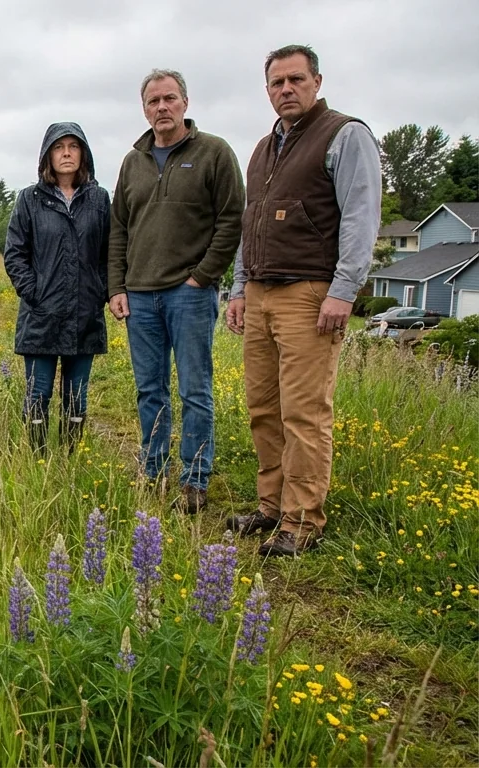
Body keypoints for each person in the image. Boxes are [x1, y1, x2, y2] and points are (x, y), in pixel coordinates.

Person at [225, 45, 381, 556]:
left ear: (316, 81)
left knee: (304, 412)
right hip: (263, 293)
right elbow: (251, 226)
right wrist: (240, 288)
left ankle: (302, 521)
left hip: (310, 295)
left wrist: (344, 290)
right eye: (276, 82)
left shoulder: (343, 134)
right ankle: (271, 506)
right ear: (267, 90)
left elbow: (361, 216)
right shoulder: (263, 150)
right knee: (263, 408)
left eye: (295, 79)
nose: (285, 89)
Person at [108, 69, 244, 514]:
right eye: (153, 101)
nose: (161, 108)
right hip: (140, 295)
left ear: (185, 102)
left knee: (195, 389)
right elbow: (118, 230)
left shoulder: (214, 153)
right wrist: (116, 286)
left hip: (189, 294)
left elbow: (230, 220)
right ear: (144, 109)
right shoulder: (133, 162)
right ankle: (154, 470)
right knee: (150, 390)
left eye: (169, 99)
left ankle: (195, 479)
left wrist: (202, 276)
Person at [3, 122, 111, 454]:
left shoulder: (99, 199)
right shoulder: (29, 200)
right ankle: (37, 461)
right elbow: (15, 253)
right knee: (38, 395)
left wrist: (99, 292)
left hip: (85, 315)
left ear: (84, 153)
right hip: (42, 317)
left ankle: (69, 459)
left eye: (73, 146)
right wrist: (35, 293)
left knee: (76, 396)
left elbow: (112, 252)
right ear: (47, 155)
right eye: (58, 147)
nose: (66, 153)